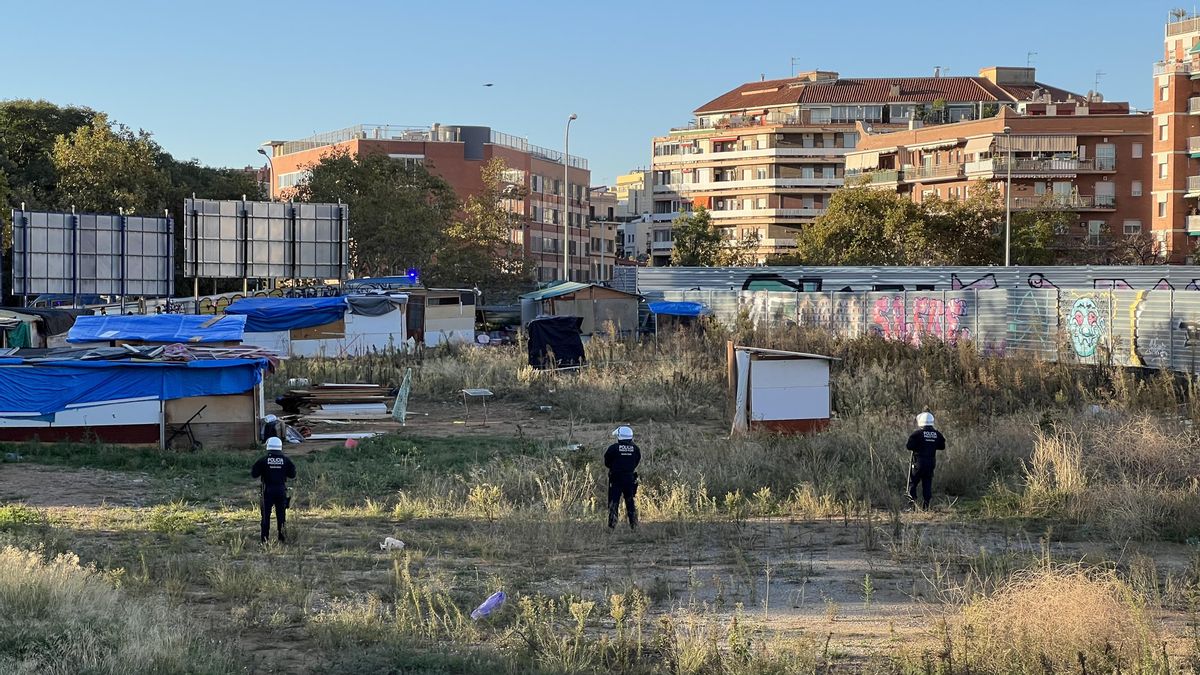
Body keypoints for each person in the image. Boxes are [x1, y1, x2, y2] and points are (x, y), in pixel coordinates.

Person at [251, 437, 296, 543]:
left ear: (268, 447)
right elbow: (292, 475)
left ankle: (264, 540)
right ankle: (282, 539)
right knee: (281, 516)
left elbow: (254, 474)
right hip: (281, 490)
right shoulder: (286, 460)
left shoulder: (263, 460)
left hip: (267, 490)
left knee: (265, 517)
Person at [905, 411, 946, 510]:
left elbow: (909, 446)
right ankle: (926, 506)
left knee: (913, 483)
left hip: (919, 462)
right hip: (931, 463)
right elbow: (942, 446)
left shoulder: (917, 434)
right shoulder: (937, 434)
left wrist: (919, 446)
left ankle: (912, 506)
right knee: (927, 483)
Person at [604, 426, 640, 530]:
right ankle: (634, 525)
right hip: (630, 477)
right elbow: (636, 461)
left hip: (616, 478)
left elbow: (607, 462)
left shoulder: (613, 448)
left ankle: (612, 526)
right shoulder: (636, 449)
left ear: (619, 436)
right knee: (630, 501)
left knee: (613, 502)